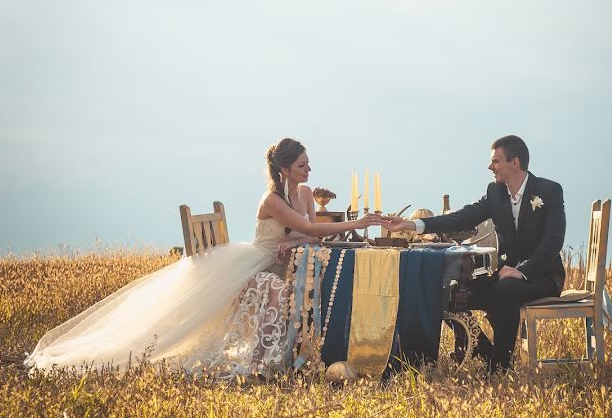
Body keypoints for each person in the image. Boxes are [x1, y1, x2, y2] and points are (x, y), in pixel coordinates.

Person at [25, 138, 382, 377]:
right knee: (276, 289)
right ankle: (263, 364)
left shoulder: (302, 193)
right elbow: (312, 230)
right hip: (254, 262)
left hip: (280, 258)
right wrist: (358, 222)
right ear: (285, 168)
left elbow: (307, 230)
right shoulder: (271, 200)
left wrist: (293, 242)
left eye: (308, 164)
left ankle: (295, 356)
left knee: (297, 284)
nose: (309, 171)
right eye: (303, 165)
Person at [380, 135, 565, 372]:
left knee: (506, 288)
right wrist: (409, 225)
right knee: (451, 294)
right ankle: (486, 353)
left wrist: (522, 271)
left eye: (496, 161)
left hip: (543, 277)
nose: (491, 167)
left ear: (515, 162)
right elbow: (461, 217)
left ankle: (500, 367)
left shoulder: (549, 191)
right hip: (505, 277)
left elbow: (554, 241)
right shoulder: (496, 193)